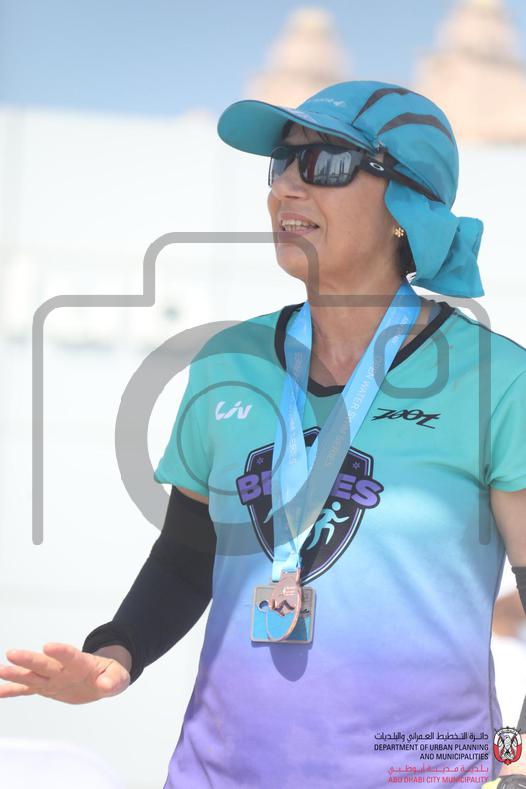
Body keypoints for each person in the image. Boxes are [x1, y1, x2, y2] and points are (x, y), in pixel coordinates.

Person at [1, 80, 526, 788]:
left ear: (407, 205)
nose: (286, 187)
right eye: (281, 163)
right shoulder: (228, 361)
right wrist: (116, 652)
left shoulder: (497, 378)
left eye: (326, 164)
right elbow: (187, 557)